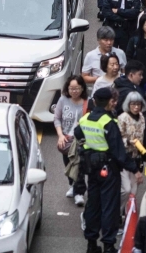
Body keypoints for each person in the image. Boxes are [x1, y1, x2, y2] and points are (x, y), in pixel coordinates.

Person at [76, 87, 139, 253]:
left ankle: (91, 243)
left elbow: (78, 134)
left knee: (93, 205)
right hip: (108, 169)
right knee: (109, 207)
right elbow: (119, 152)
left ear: (95, 101)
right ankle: (108, 245)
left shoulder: (85, 119)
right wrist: (135, 169)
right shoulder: (108, 122)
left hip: (91, 167)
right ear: (109, 102)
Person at [53, 75, 88, 204]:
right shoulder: (62, 100)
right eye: (71, 88)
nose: (74, 91)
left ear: (82, 88)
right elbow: (57, 118)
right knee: (68, 166)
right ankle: (72, 185)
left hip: (81, 140)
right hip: (67, 140)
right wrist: (60, 135)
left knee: (79, 165)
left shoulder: (87, 102)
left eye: (77, 88)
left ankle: (79, 193)